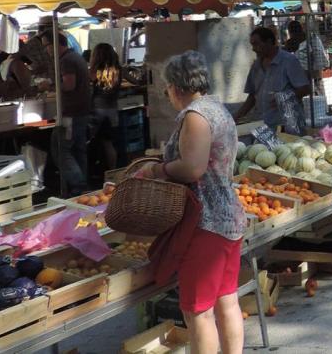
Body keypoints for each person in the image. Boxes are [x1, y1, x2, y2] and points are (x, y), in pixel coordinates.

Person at [138, 51, 244, 354]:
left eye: (167, 86)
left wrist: (156, 170)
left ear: (179, 86)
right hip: (227, 217)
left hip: (205, 222)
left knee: (198, 312)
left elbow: (193, 168)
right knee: (226, 301)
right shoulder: (217, 109)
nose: (167, 93)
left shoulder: (196, 116)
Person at [40, 31, 93, 195]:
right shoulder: (76, 57)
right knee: (78, 150)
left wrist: (49, 86)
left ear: (55, 44)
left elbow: (69, 85)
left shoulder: (66, 61)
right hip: (82, 110)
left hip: (70, 113)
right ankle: (82, 186)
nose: (46, 50)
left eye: (46, 46)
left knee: (60, 150)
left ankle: (79, 185)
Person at [233, 27, 310, 134]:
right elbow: (252, 96)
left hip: (288, 126)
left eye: (256, 44)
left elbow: (305, 88)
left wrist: (284, 97)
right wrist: (235, 117)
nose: (253, 48)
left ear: (269, 42)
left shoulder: (288, 61)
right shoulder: (256, 66)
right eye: (252, 45)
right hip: (264, 126)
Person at [89, 43, 122, 172]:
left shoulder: (94, 72)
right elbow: (135, 81)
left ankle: (95, 171)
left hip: (97, 110)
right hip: (113, 110)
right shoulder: (118, 70)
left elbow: (89, 90)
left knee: (93, 142)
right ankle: (112, 171)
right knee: (109, 143)